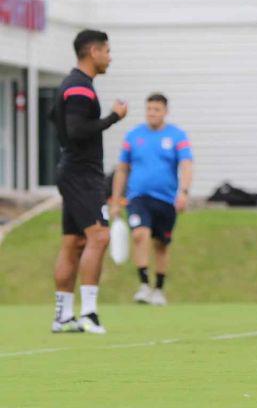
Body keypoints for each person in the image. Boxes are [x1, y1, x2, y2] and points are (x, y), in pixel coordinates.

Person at [51, 29, 127, 334]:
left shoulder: (71, 85)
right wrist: (113, 118)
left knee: (74, 242)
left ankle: (62, 316)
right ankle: (89, 314)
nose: (110, 57)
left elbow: (53, 116)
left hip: (72, 170)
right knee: (99, 237)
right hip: (82, 174)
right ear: (92, 51)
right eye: (107, 51)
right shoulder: (80, 87)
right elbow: (78, 129)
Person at [110, 93, 193, 306]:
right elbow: (122, 169)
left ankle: (159, 289)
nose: (152, 113)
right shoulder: (133, 136)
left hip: (165, 199)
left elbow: (186, 165)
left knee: (161, 245)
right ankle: (144, 285)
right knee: (139, 234)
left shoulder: (177, 136)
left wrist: (183, 192)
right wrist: (116, 199)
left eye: (156, 110)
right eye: (149, 109)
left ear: (165, 111)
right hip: (138, 196)